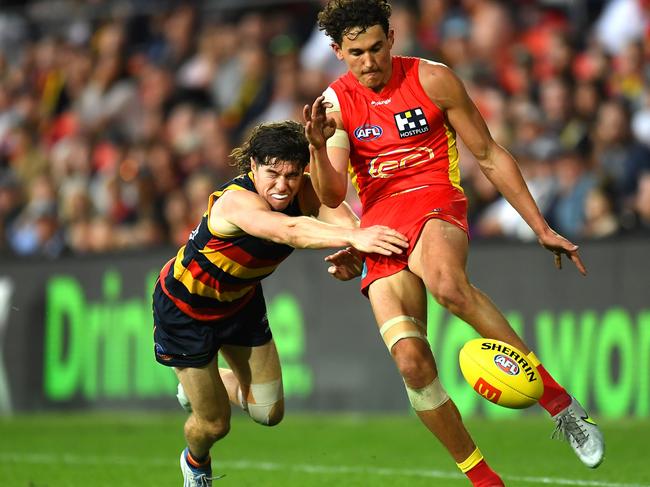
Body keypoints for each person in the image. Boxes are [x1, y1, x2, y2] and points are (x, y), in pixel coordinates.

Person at [303, 1, 605, 485]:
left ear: (393, 39)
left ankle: (560, 404)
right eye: (356, 52)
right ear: (338, 52)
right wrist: (318, 146)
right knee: (411, 362)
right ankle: (485, 479)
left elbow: (488, 153)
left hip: (433, 197)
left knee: (447, 285)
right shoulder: (334, 105)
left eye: (377, 47)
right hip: (380, 225)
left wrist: (540, 227)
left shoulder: (432, 79)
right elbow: (332, 193)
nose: (369, 61)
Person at [152, 120, 408, 486]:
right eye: (272, 173)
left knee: (268, 413)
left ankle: (206, 384)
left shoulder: (303, 192)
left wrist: (352, 247)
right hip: (185, 311)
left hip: (240, 304)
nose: (282, 185)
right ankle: (195, 463)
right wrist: (354, 236)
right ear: (252, 166)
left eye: (291, 175)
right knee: (215, 423)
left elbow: (341, 216)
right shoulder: (237, 201)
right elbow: (289, 231)